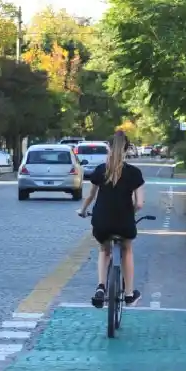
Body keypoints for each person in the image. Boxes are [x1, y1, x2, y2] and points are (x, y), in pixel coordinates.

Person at [78, 130, 145, 308]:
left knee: (104, 251)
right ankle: (129, 294)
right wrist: (130, 213)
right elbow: (139, 204)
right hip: (124, 222)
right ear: (127, 148)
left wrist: (82, 210)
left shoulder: (100, 170)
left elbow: (90, 196)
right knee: (127, 250)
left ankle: (101, 287)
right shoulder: (135, 173)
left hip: (102, 222)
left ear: (109, 148)